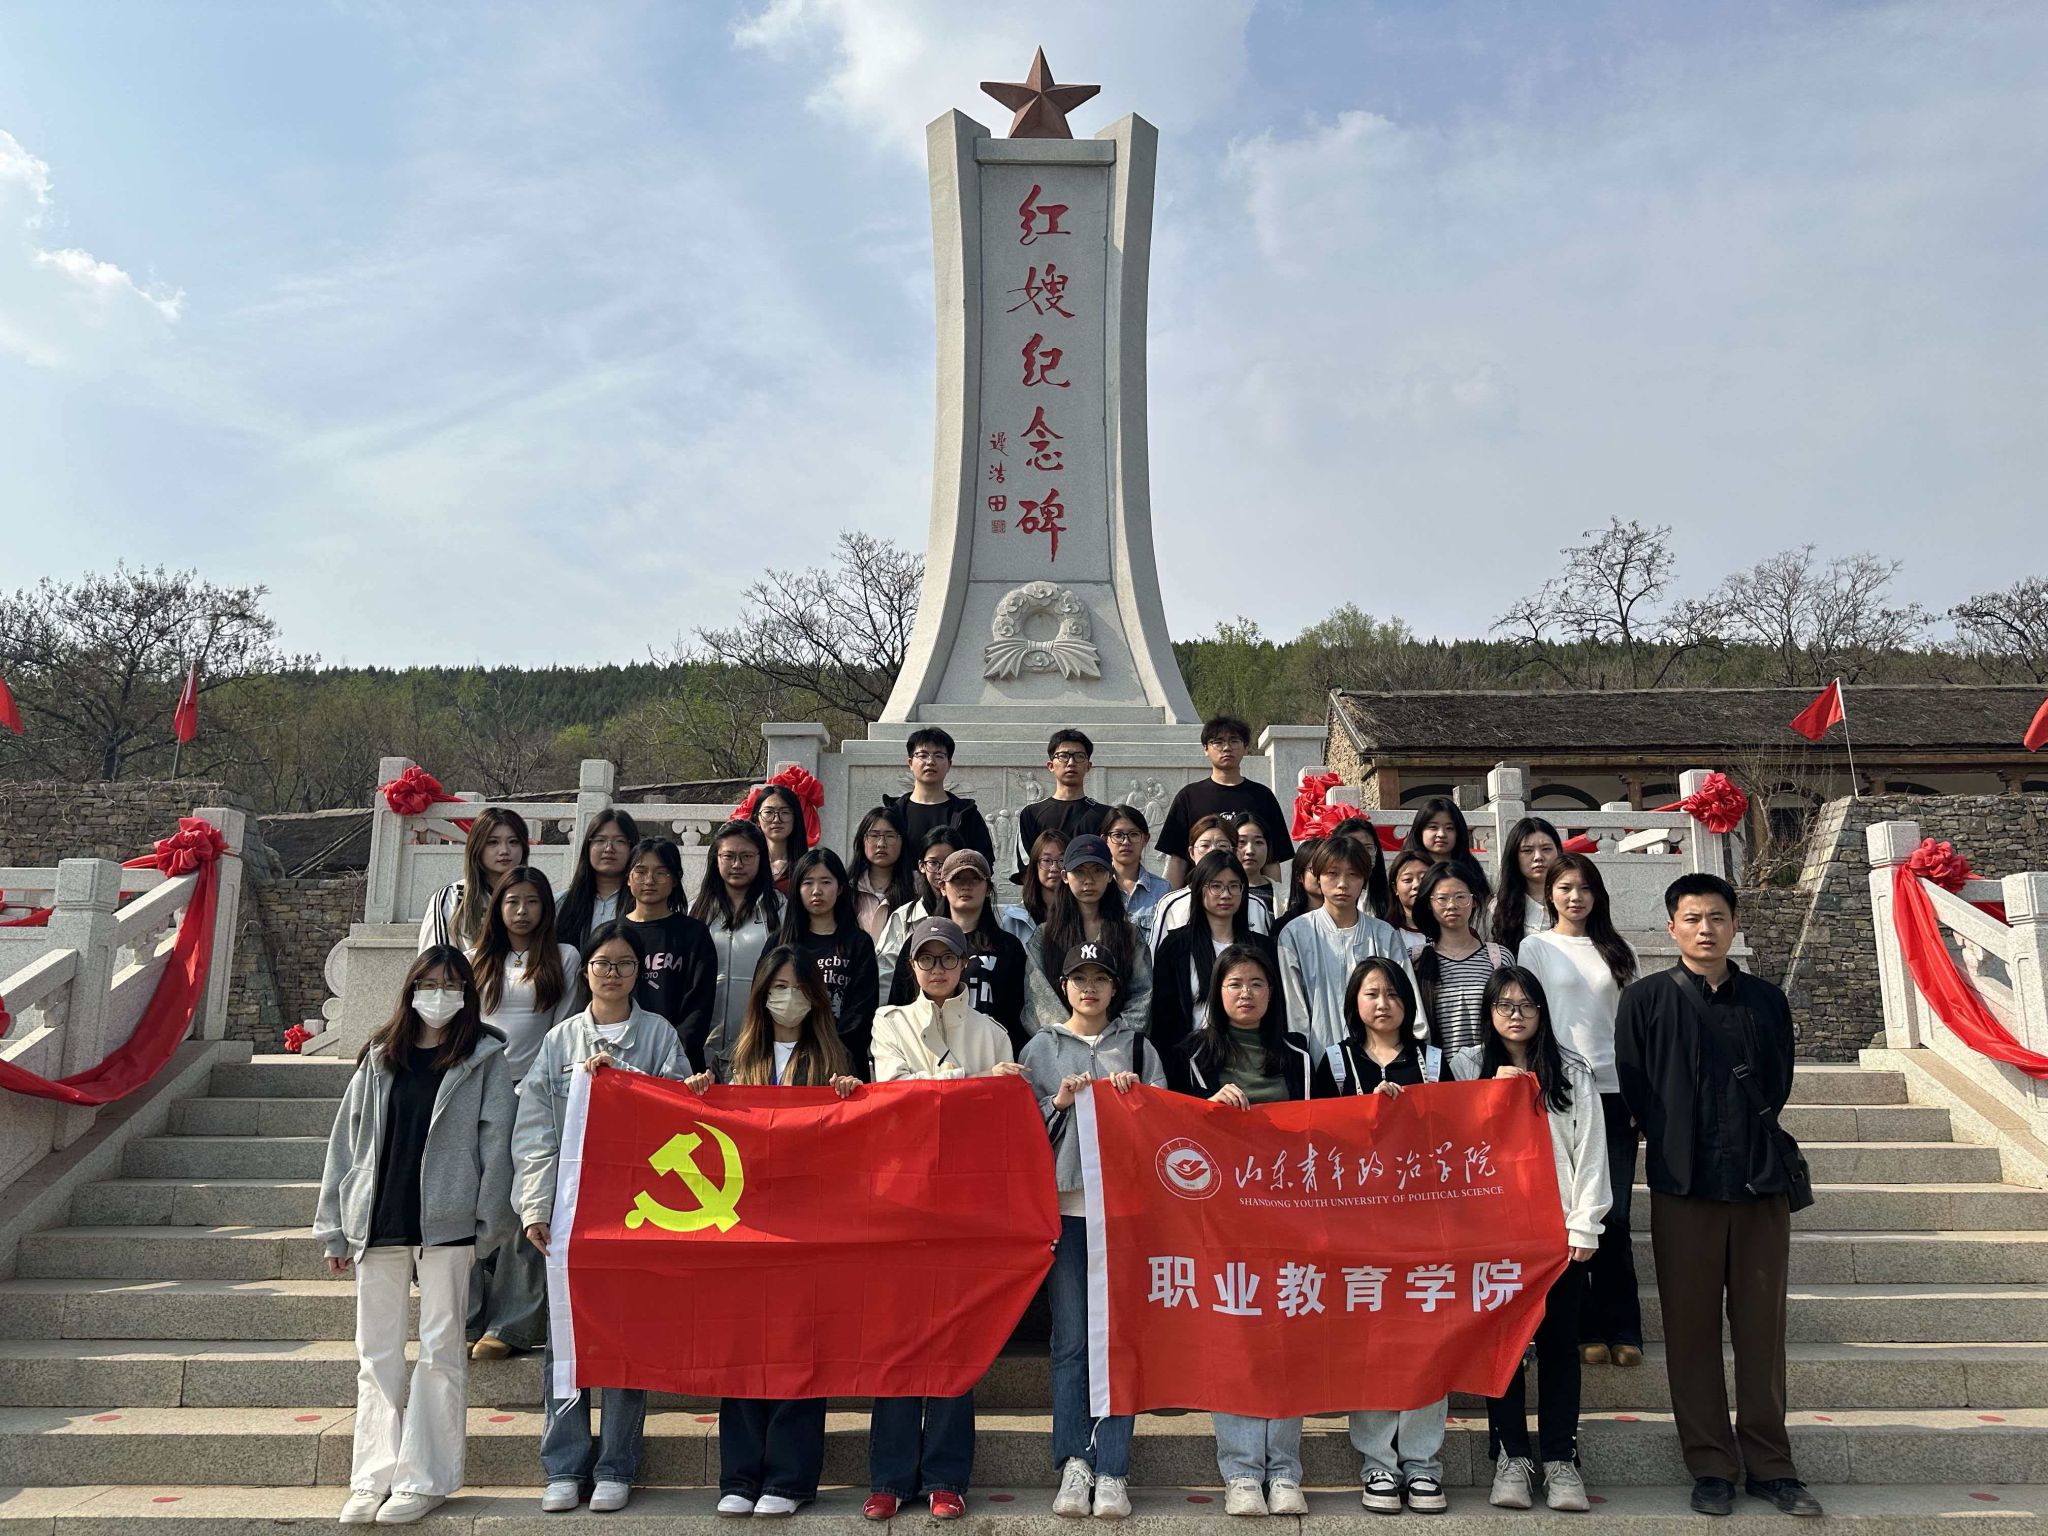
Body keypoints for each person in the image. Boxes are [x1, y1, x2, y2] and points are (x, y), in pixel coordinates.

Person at [1615, 874, 1820, 1520]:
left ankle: (1771, 1465)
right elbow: (1636, 1085)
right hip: (1684, 1186)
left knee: (1762, 1332)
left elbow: (1777, 1083)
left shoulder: (1765, 1001)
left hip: (1760, 1185)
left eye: (1718, 918)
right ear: (1671, 927)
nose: (1706, 929)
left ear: (1734, 925)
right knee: (1690, 1331)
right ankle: (1710, 1464)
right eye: (1693, 918)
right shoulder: (1645, 1001)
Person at [316, 947, 515, 1526]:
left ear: (467, 994)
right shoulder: (382, 1056)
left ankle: (425, 1479)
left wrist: (486, 1226)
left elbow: (496, 1146)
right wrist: (335, 1227)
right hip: (379, 1220)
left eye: (451, 985)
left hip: (448, 1227)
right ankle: (371, 1475)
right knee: (376, 1354)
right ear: (410, 989)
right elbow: (346, 1143)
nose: (439, 995)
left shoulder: (483, 1058)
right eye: (428, 984)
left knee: (441, 1352)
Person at [513, 923, 688, 1515]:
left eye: (624, 964)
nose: (612, 974)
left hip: (637, 1212)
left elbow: (679, 1118)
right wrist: (535, 1205)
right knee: (565, 1338)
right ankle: (564, 1465)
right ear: (585, 970)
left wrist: (629, 1086)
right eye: (602, 963)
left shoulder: (659, 1035)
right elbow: (534, 1131)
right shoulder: (560, 1040)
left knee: (625, 1337)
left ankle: (617, 1464)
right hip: (572, 1210)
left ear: (639, 973)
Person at [681, 958, 860, 1515]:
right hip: (745, 1222)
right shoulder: (732, 1058)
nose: (788, 997)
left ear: (816, 997)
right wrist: (700, 1092)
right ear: (760, 994)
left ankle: (789, 1479)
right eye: (779, 987)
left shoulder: (836, 1058)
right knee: (742, 1345)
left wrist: (852, 1097)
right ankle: (738, 1477)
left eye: (799, 988)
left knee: (800, 1346)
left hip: (809, 1223)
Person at [865, 917, 1028, 1520]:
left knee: (956, 1341)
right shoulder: (888, 1022)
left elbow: (999, 1123)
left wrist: (976, 1091)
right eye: (926, 959)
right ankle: (889, 1476)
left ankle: (946, 1476)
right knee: (897, 1340)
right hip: (902, 1200)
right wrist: (975, 1084)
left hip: (966, 1203)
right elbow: (899, 1093)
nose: (937, 969)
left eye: (948, 958)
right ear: (911, 967)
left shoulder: (993, 1033)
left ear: (965, 965)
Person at [1165, 943, 1324, 1514]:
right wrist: (1208, 1107)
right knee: (1232, 1338)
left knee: (1285, 1339)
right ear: (1217, 993)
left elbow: (1326, 1130)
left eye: (1256, 983)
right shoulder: (1192, 1054)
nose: (1246, 994)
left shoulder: (1299, 1056)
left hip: (1289, 1218)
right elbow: (1171, 1132)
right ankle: (1239, 1472)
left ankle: (1284, 1470)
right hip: (1220, 1220)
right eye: (1234, 984)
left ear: (1272, 992)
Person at [1450, 968, 1609, 1514]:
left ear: (1543, 1011)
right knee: (1506, 1349)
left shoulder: (1571, 1070)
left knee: (1560, 1347)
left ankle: (1561, 1457)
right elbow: (1451, 1145)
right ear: (1489, 1012)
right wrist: (1490, 1093)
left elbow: (1591, 1151)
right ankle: (1512, 1456)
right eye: (1504, 1005)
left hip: (1557, 1235)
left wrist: (1585, 1224)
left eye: (1526, 1005)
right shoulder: (1466, 1067)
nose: (1515, 1015)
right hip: (1496, 1238)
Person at [1020, 941, 1164, 1521]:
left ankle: (1113, 1466)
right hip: (1065, 1211)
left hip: (1123, 1215)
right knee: (1072, 1341)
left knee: (1119, 1340)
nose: (1089, 988)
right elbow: (1018, 1133)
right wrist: (1057, 1103)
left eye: (1100, 978)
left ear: (1114, 988)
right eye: (1079, 978)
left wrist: (1139, 1102)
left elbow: (1166, 1132)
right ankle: (1074, 1461)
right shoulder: (1040, 1047)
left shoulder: (1138, 1047)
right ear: (1063, 986)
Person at [1519, 854, 1643, 1369]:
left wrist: (1639, 1094)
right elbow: (1527, 1016)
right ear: (1550, 893)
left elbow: (1632, 1025)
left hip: (1613, 1089)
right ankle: (1584, 1325)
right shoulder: (1535, 947)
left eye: (1585, 888)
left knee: (1615, 1213)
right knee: (1570, 1211)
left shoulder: (1617, 949)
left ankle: (1624, 1327)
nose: (1576, 897)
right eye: (1566, 887)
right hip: (1559, 1089)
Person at [465, 869, 579, 1363]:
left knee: (526, 1202)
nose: (522, 911)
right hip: (479, 1087)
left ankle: (510, 1322)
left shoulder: (565, 957)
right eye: (512, 901)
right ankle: (466, 1313)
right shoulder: (475, 958)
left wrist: (536, 1085)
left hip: (535, 1090)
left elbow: (562, 1028)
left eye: (532, 901)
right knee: (472, 1197)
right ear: (498, 907)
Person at [1277, 835, 1421, 1091]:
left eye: (1352, 874)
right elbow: (1295, 1011)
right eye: (1332, 874)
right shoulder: (1295, 934)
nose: (1342, 884)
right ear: (1318, 877)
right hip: (1320, 1057)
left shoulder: (1383, 934)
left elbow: (1407, 998)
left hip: (1382, 1059)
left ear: (1364, 879)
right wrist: (1302, 1063)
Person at [885, 849, 1030, 1052]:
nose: (965, 886)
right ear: (942, 887)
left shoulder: (1008, 947)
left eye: (975, 879)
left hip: (988, 1050)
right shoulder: (918, 943)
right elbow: (900, 1002)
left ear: (988, 888)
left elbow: (1017, 1012)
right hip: (928, 1050)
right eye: (957, 879)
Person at [1148, 850, 1280, 1063]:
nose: (1226, 894)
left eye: (1234, 886)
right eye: (1216, 886)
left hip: (1251, 1059)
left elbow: (1275, 1009)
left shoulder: (1262, 947)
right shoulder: (1175, 947)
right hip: (1193, 1061)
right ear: (1200, 889)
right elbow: (1164, 1018)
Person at [1026, 835, 1152, 1035]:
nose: (1089, 880)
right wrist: (1072, 1035)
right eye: (1079, 871)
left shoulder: (1129, 934)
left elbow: (1142, 993)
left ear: (1110, 875)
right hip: (1059, 1042)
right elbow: (1038, 997)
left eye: (1098, 870)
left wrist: (1116, 1035)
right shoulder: (1045, 935)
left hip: (1117, 1043)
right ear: (1065, 876)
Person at [1157, 716, 1295, 887]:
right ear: (1205, 748)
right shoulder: (1188, 796)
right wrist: (1171, 899)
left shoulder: (1262, 796)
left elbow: (1272, 860)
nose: (1227, 748)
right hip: (1199, 893)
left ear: (1245, 747)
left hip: (1251, 894)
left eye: (1234, 741)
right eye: (1218, 742)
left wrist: (1274, 899)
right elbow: (1177, 860)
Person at [776, 847, 880, 1073]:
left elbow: (862, 1010)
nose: (817, 891)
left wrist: (829, 1051)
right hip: (786, 1059)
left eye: (825, 882)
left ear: (840, 887)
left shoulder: (858, 943)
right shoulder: (780, 942)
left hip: (842, 1064)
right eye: (808, 883)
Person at [620, 837, 718, 1069]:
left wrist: (672, 1056)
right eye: (640, 872)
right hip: (621, 1058)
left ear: (675, 879)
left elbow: (699, 1005)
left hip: (678, 1062)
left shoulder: (693, 934)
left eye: (661, 873)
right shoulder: (613, 934)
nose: (649, 880)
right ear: (628, 878)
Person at [690, 820, 784, 1054]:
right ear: (716, 858)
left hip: (761, 1040)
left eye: (746, 856)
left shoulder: (780, 909)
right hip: (702, 1042)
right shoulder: (697, 910)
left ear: (761, 858)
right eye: (729, 856)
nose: (737, 864)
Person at [1413, 859, 1514, 1070]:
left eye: (1460, 897)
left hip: (1493, 1073)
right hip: (1438, 1076)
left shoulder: (1499, 958)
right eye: (1442, 898)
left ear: (1474, 901)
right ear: (1429, 904)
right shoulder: (1416, 961)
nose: (1452, 905)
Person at [1149, 815, 1274, 955]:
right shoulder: (1171, 904)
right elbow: (1155, 959)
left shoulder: (1256, 905)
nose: (1213, 851)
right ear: (1191, 852)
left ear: (1233, 852)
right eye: (1204, 845)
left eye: (1222, 846)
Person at [417, 807, 529, 953]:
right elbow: (437, 960)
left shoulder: (536, 897)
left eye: (513, 842)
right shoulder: (452, 898)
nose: (504, 851)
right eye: (493, 842)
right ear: (477, 847)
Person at [883, 727, 994, 863]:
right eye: (923, 755)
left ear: (949, 764)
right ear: (910, 763)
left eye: (939, 755)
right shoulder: (893, 814)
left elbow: (983, 862)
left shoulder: (967, 815)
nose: (930, 761)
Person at [1333, 955, 1439, 1095]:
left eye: (1393, 994)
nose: (1383, 1005)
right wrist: (1372, 1103)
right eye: (1372, 994)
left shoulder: (1433, 1061)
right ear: (1355, 1000)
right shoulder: (1336, 1061)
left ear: (1407, 1001)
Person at [1012, 729, 1110, 879]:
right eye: (1063, 756)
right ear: (1051, 765)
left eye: (1079, 756)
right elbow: (1026, 869)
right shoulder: (1031, 814)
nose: (1071, 763)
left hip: (1090, 892)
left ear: (1088, 766)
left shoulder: (1106, 815)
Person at [555, 810, 641, 950]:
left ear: (633, 847)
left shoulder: (642, 904)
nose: (609, 848)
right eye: (600, 840)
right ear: (588, 846)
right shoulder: (561, 903)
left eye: (620, 841)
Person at [875, 827, 954, 977]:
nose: (941, 870)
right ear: (921, 866)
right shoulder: (903, 916)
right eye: (933, 862)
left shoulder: (970, 912)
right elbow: (885, 972)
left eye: (948, 862)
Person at [1401, 796, 1493, 914]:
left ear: (1458, 833)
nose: (1441, 834)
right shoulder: (1406, 871)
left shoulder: (1473, 872)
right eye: (1433, 827)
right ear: (1420, 832)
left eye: (1449, 828)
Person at [1491, 817, 1563, 960]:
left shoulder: (1573, 902)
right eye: (1527, 850)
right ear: (1514, 857)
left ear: (1559, 852)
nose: (1538, 857)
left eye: (1546, 849)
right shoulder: (1498, 909)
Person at [1102, 804, 1170, 938]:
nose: (1126, 842)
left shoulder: (1162, 889)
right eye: (1118, 835)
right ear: (1105, 840)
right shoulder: (1098, 887)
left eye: (1134, 834)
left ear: (1145, 839)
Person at [850, 808, 913, 943]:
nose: (881, 844)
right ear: (862, 840)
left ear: (902, 841)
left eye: (890, 836)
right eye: (874, 836)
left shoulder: (917, 886)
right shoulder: (848, 888)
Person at [1002, 828, 1071, 946]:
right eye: (1046, 860)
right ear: (1035, 864)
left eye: (1062, 860)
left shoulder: (1083, 914)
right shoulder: (1014, 919)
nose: (1054, 868)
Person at [746, 783, 811, 893]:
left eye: (784, 812)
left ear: (795, 818)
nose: (776, 819)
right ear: (757, 820)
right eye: (768, 812)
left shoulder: (807, 867)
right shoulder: (746, 864)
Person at [1273, 836, 1325, 937]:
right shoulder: (1285, 925)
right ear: (1299, 876)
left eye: (1330, 870)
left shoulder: (1348, 918)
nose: (1322, 876)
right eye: (1315, 869)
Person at [1385, 849, 1431, 958]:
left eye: (1424, 878)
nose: (1416, 885)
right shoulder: (1384, 933)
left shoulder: (1449, 929)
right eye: (1407, 880)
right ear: (1395, 888)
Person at [1234, 814, 1278, 915]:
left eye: (1258, 842)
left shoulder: (1285, 897)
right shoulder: (1218, 894)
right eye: (1242, 841)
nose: (1250, 851)